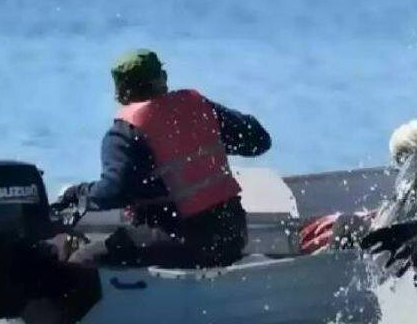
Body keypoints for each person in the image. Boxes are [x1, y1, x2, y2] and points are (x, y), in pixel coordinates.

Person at [57, 49, 271, 268]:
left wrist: (77, 194)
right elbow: (259, 140)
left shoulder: (125, 132)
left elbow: (114, 191)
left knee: (81, 260)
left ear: (120, 92)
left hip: (179, 240)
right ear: (163, 78)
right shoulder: (200, 107)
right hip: (231, 234)